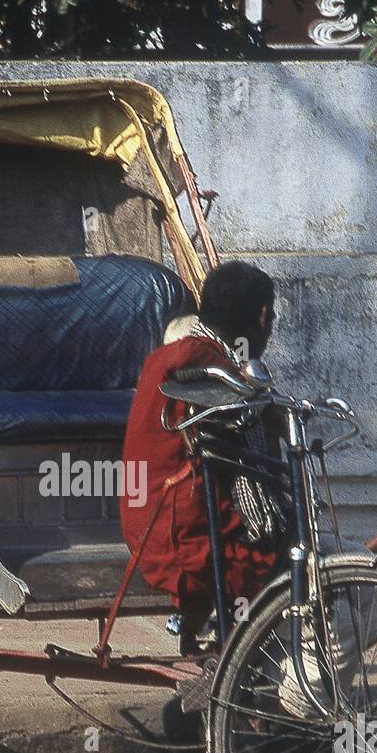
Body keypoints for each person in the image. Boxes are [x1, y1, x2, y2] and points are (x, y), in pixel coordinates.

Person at [120, 260, 282, 648]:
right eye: (271, 315)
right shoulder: (211, 369)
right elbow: (248, 473)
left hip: (149, 520)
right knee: (280, 556)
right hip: (178, 537)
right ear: (262, 316)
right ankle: (247, 662)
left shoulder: (169, 356)